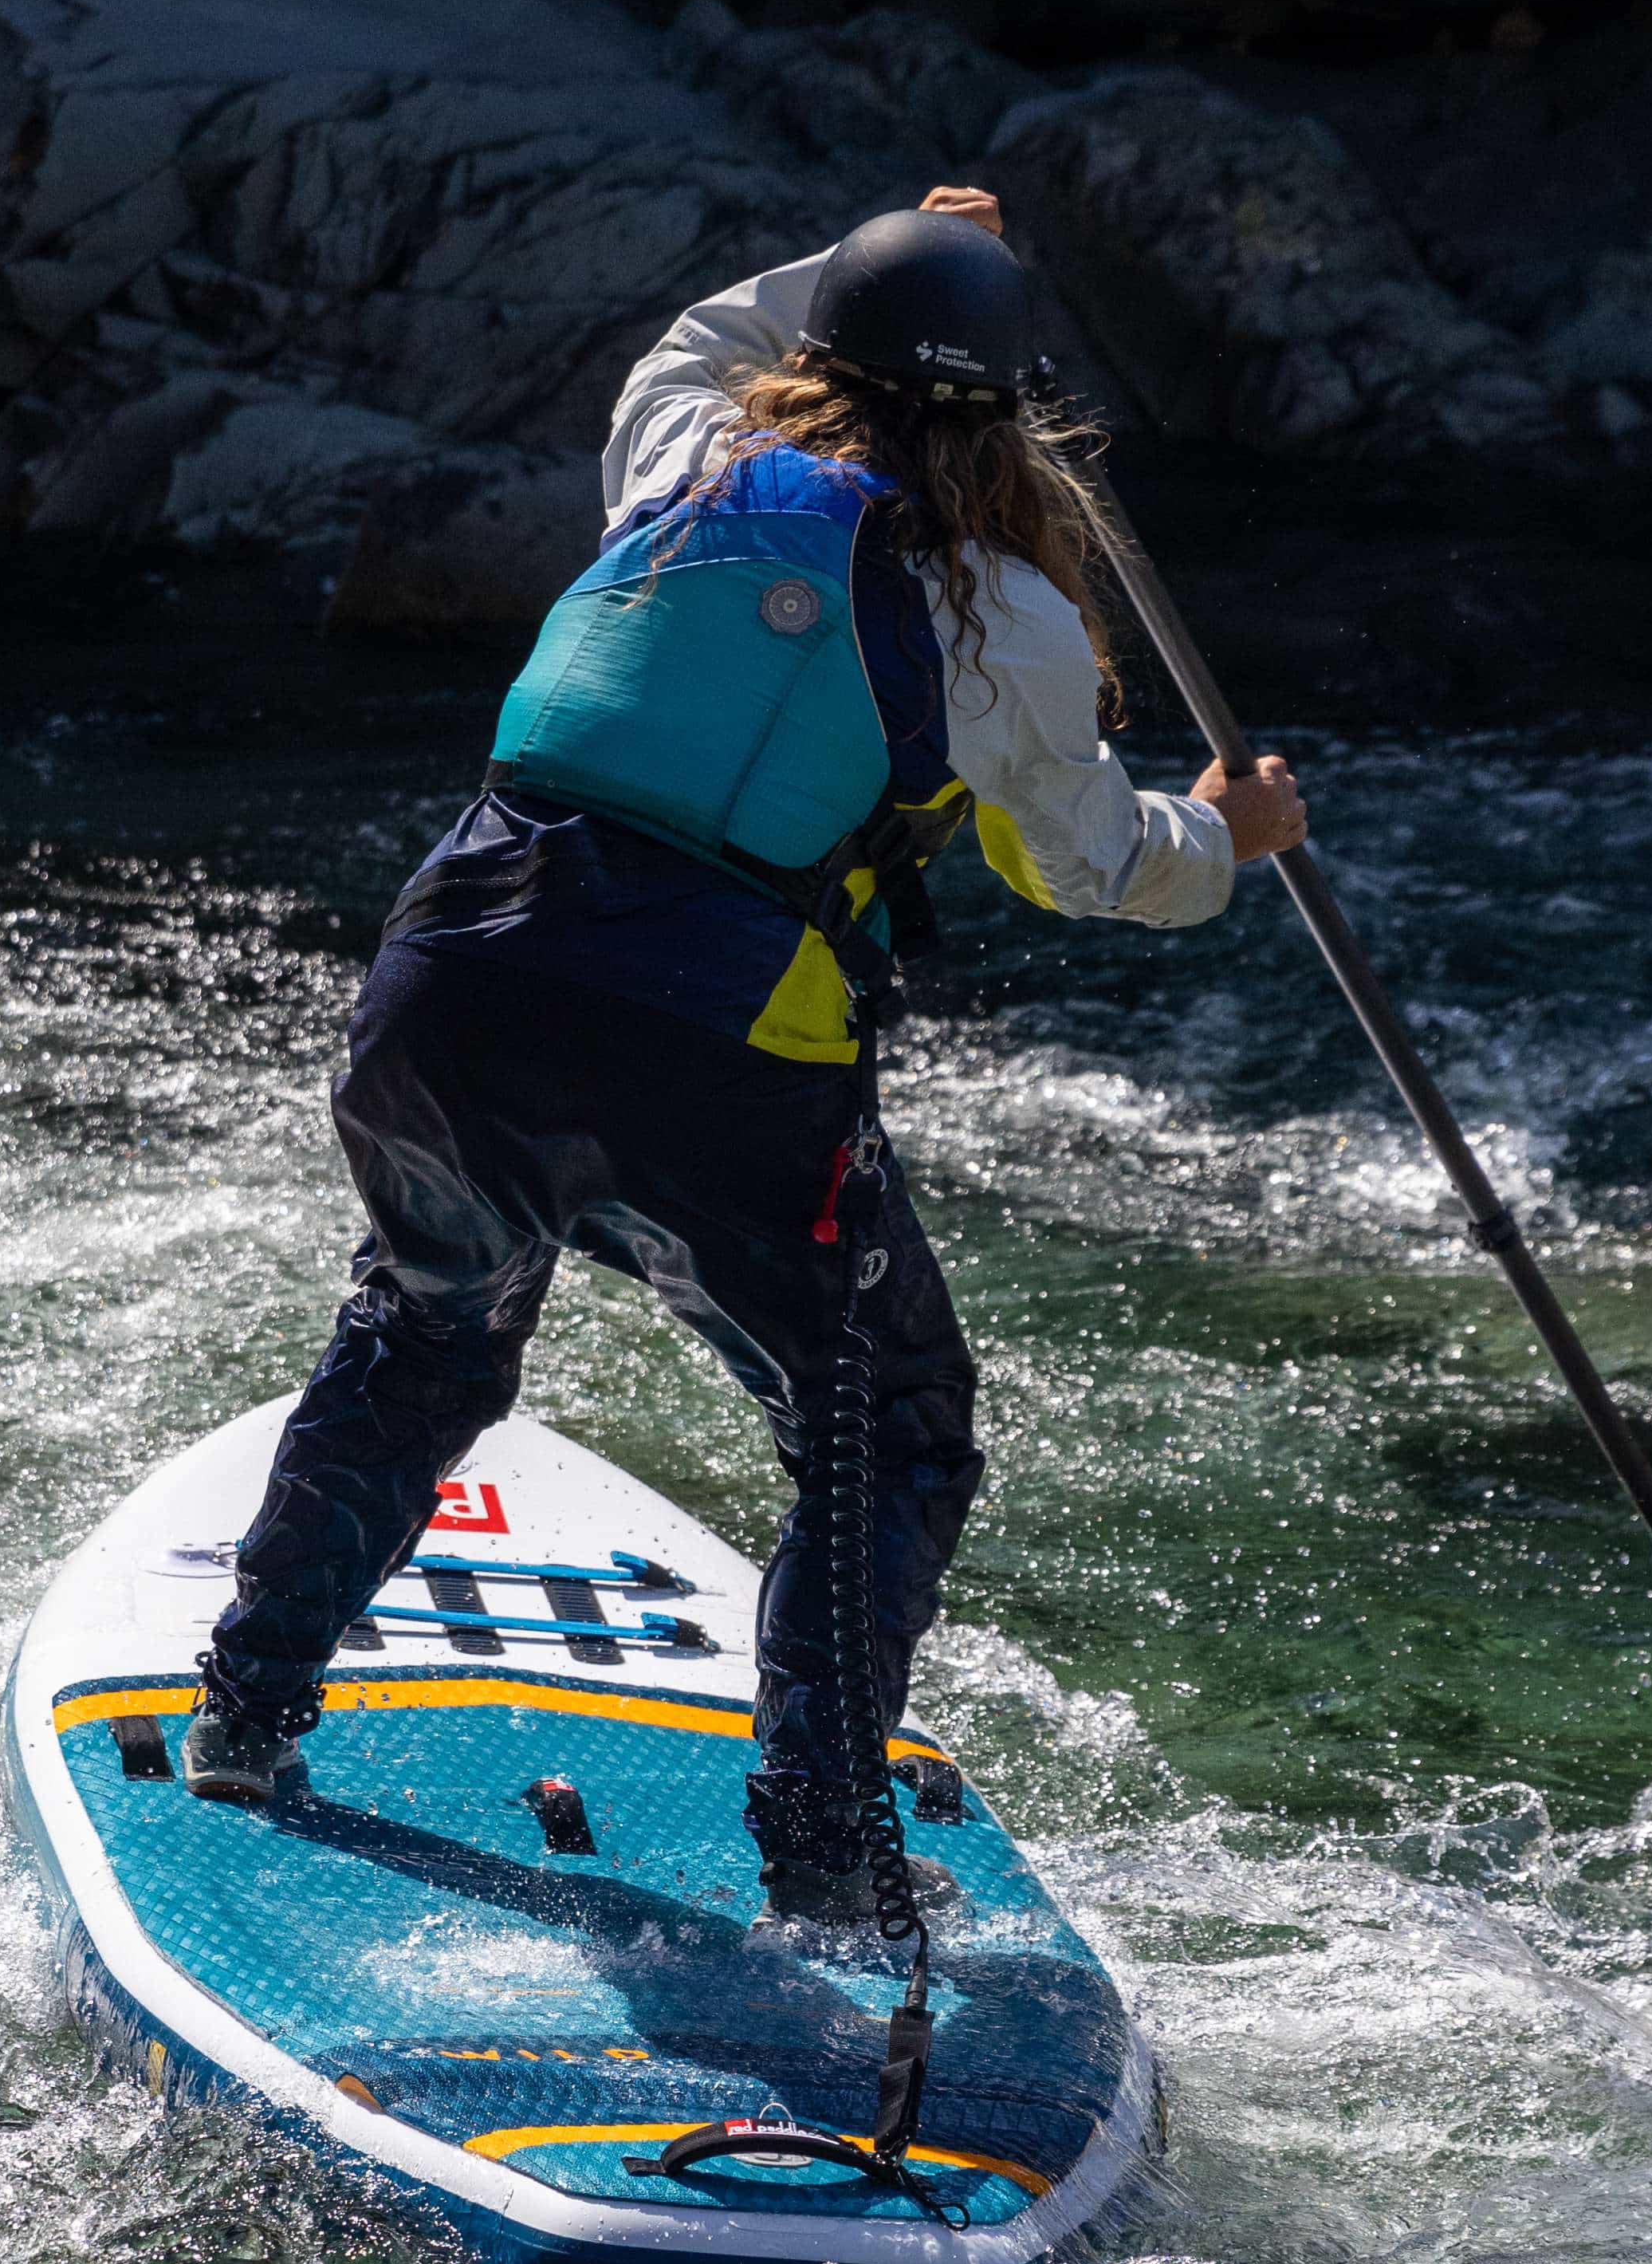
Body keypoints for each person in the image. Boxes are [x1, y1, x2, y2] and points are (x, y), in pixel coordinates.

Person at [183, 187, 1308, 1920]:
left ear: (822, 349)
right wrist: (1228, 834)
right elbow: (1088, 867)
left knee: (423, 1335)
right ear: (1014, 408)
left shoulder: (682, 451)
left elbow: (702, 332)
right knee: (890, 1434)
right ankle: (826, 1854)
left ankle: (244, 1715)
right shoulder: (1007, 613)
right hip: (714, 1061)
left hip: (451, 989)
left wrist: (888, 236)